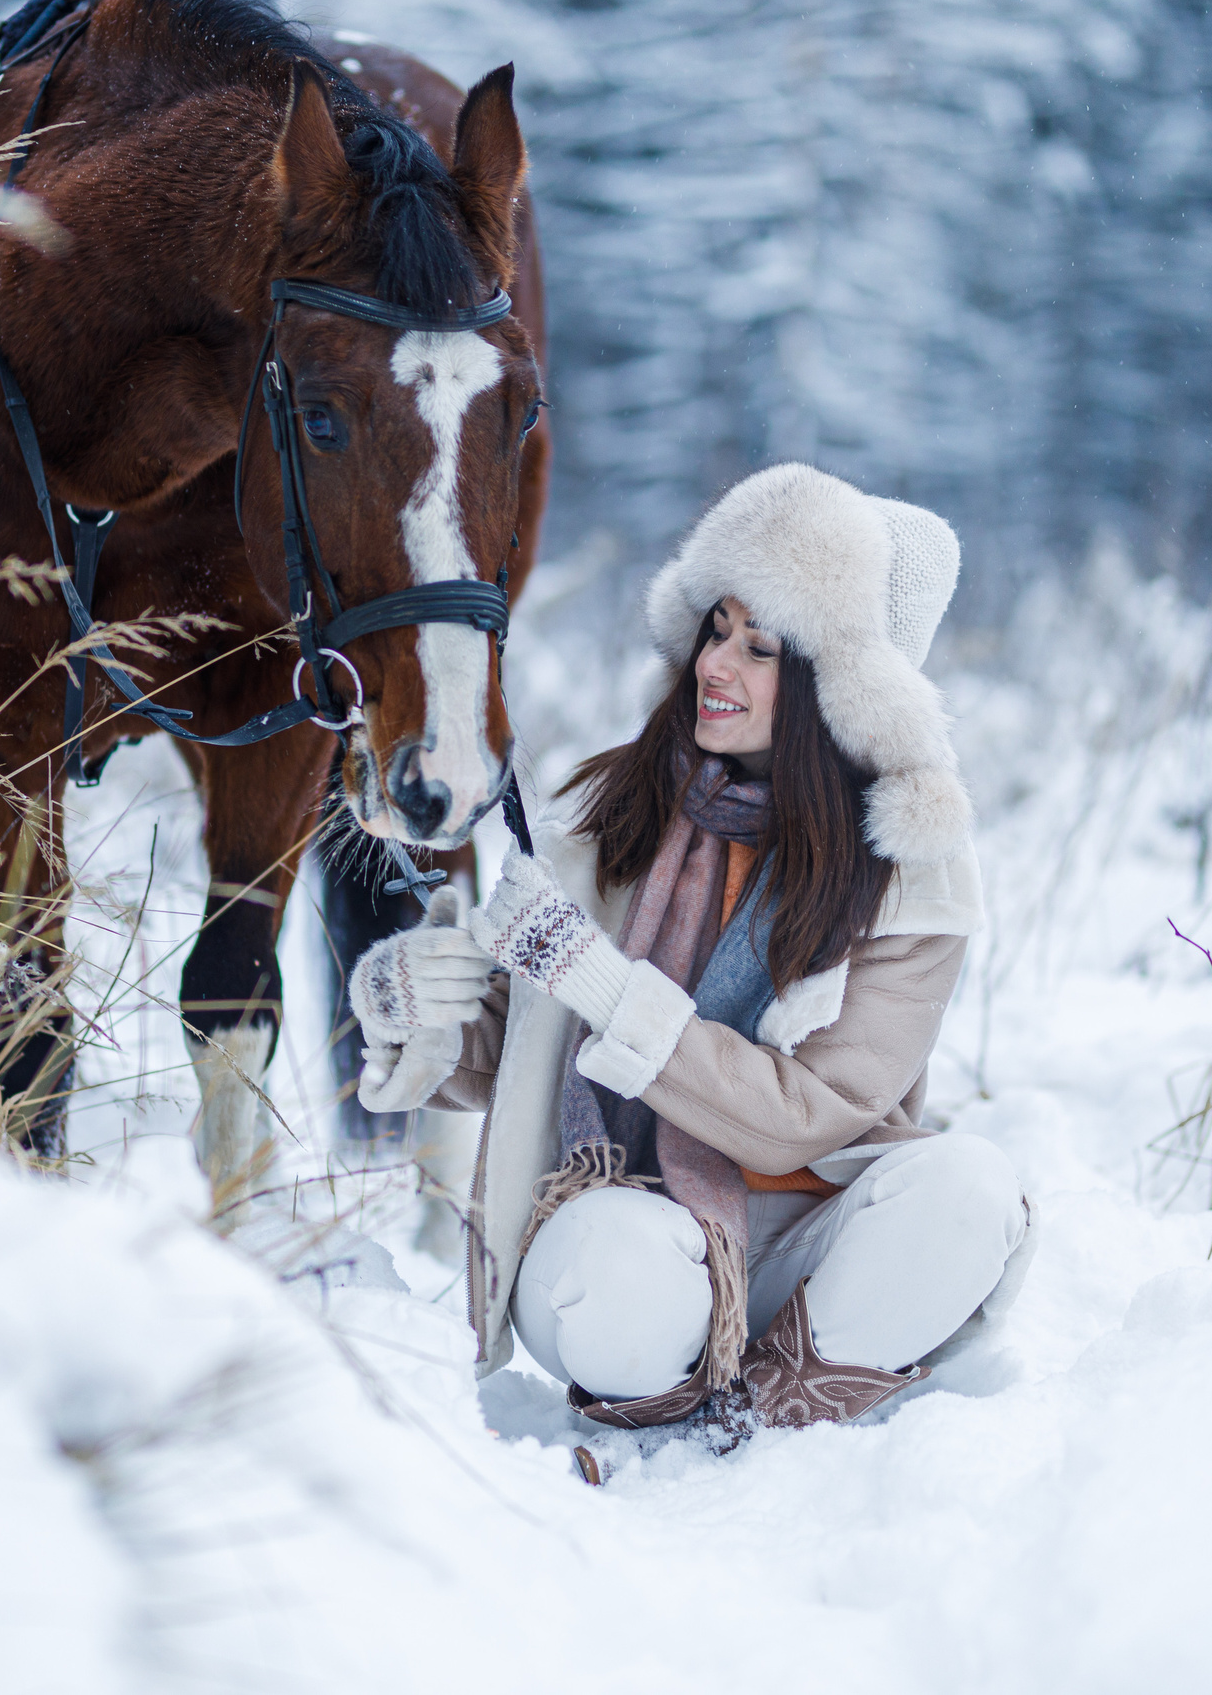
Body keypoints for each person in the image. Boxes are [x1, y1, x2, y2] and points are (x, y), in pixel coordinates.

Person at [345, 463, 1033, 1432]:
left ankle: (777, 1404)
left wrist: (603, 983)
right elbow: (522, 1050)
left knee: (970, 1188)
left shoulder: (912, 874)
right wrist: (417, 1006)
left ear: (836, 687)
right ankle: (669, 1386)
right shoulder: (609, 808)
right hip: (617, 1222)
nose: (716, 666)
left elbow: (809, 1117)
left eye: (761, 648)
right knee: (621, 1273)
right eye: (717, 628)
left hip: (803, 1257)